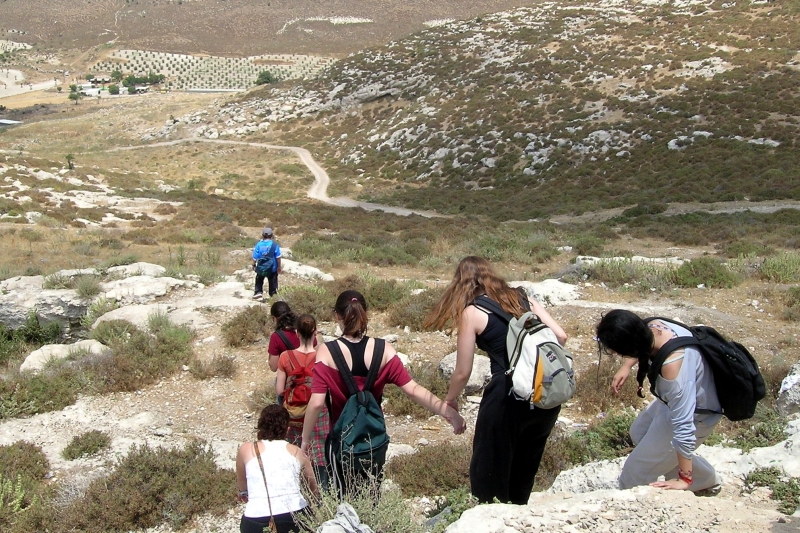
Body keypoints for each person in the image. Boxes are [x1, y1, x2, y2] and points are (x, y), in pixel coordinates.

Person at [423, 256, 568, 505]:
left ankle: (491, 516)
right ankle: (518, 515)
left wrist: (450, 399)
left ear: (462, 282)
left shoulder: (473, 312)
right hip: (544, 393)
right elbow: (561, 337)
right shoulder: (523, 298)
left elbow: (463, 371)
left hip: (507, 394)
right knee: (525, 467)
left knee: (489, 468)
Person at [301, 289, 466, 491]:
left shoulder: (327, 352)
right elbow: (413, 389)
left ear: (337, 316)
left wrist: (305, 440)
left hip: (341, 440)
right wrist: (449, 413)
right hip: (373, 440)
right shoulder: (384, 349)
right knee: (371, 494)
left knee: (342, 496)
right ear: (366, 313)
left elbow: (317, 402)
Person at [596, 309, 722, 492]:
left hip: (699, 414)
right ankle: (704, 477)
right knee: (639, 433)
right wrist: (627, 366)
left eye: (620, 353)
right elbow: (641, 343)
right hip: (676, 402)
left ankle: (697, 481)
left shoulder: (673, 367)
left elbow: (684, 425)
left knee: (634, 473)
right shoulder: (654, 325)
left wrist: (684, 479)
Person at [236, 405, 318, 533]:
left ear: (260, 425)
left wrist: (243, 494)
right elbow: (314, 490)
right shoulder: (297, 452)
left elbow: (242, 488)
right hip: (295, 515)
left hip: (257, 517)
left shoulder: (246, 450)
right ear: (287, 428)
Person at [276, 313, 330, 490]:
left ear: (297, 333)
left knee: (294, 460)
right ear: (315, 332)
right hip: (318, 416)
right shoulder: (323, 356)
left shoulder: (285, 357)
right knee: (319, 461)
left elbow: (279, 390)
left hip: (294, 418)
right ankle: (320, 495)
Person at [252, 227, 282, 299]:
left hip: (261, 268)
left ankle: (258, 292)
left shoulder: (259, 244)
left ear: (263, 235)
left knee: (259, 279)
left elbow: (255, 257)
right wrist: (279, 266)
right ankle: (273, 295)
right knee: (273, 282)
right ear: (271, 235)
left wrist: (253, 265)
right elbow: (278, 257)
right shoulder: (275, 245)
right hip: (272, 268)